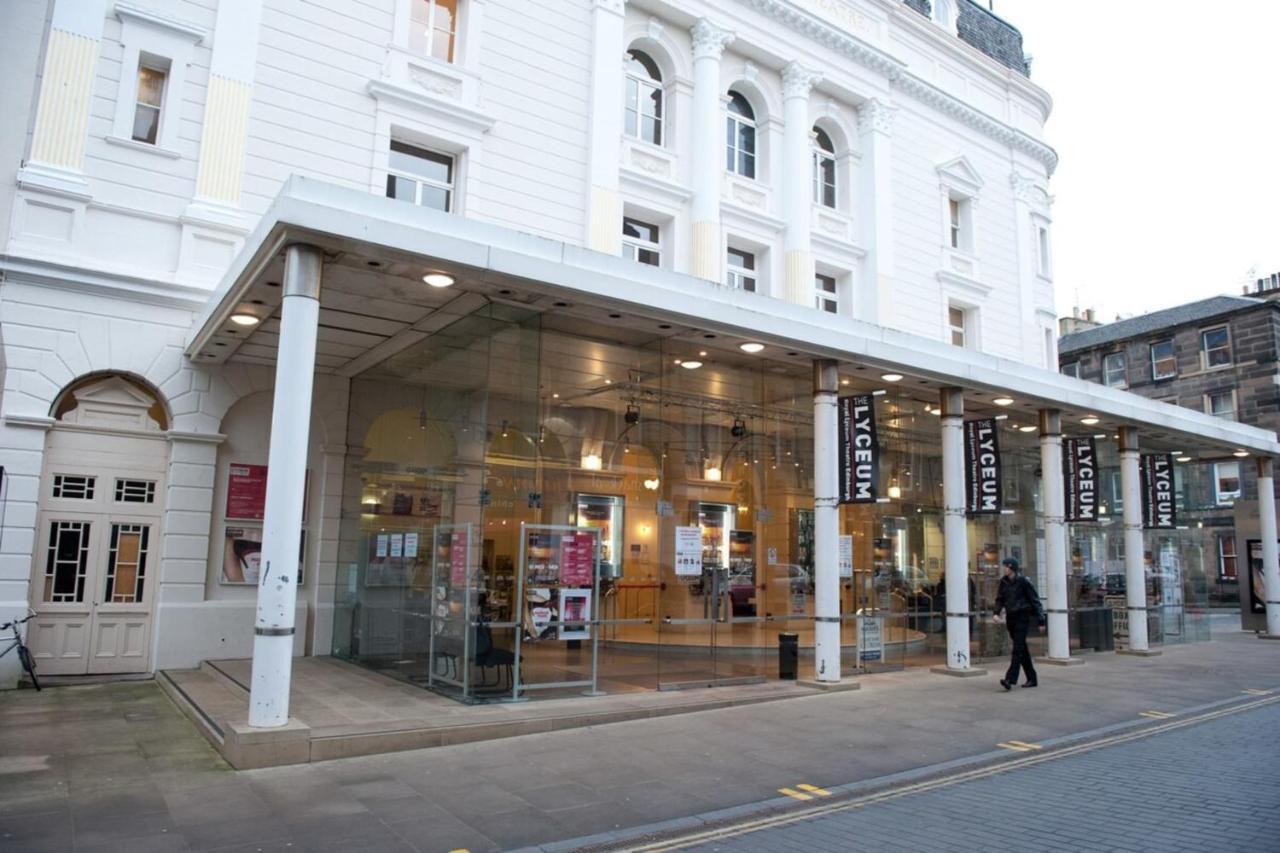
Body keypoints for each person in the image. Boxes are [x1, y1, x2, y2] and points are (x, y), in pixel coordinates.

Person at [993, 557, 1045, 690]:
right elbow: (1000, 599)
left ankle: (1009, 679)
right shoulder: (1003, 582)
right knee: (1022, 649)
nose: (1004, 568)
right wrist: (996, 612)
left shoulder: (1023, 582)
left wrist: (1041, 620)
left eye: (1006, 566)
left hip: (1022, 617)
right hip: (1011, 618)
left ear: (1012, 568)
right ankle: (1032, 678)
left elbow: (1035, 600)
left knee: (1017, 649)